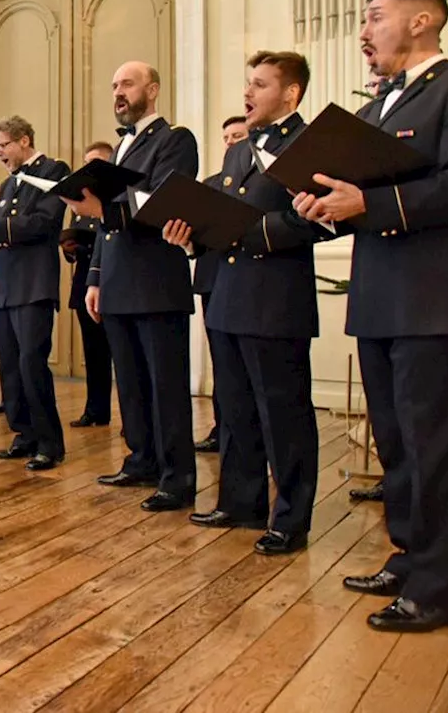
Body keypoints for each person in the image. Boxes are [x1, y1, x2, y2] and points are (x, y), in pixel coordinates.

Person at [294, 0, 448, 632]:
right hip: (381, 296)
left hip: (435, 301)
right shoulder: (378, 106)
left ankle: (442, 585)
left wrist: (370, 204)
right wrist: (322, 205)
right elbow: (354, 191)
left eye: (376, 17)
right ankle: (412, 554)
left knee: (435, 445)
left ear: (422, 21)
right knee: (396, 441)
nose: (364, 31)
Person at [167, 51, 320, 556]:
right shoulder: (241, 150)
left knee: (284, 416)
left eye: (259, 84)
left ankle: (290, 520)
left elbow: (315, 220)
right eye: (247, 83)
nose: (247, 94)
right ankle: (241, 501)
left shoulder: (309, 145)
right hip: (229, 296)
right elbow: (219, 216)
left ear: (290, 93)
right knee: (233, 409)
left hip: (275, 300)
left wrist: (253, 232)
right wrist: (189, 236)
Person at [66, 61, 199, 512]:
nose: (118, 92)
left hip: (157, 281)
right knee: (132, 383)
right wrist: (95, 278)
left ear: (153, 89)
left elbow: (161, 200)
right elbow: (107, 228)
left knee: (166, 384)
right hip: (119, 281)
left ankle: (177, 478)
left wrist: (101, 208)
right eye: (114, 85)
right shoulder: (120, 149)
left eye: (126, 84)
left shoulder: (175, 139)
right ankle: (141, 458)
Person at [0, 117, 71, 468]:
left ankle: (50, 443)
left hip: (34, 284)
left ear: (24, 140)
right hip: (5, 285)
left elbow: (44, 222)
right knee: (9, 368)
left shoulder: (53, 170)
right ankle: (24, 433)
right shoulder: (7, 185)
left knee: (31, 364)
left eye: (3, 145)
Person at [194, 115, 252, 453]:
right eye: (227, 136)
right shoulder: (212, 183)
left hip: (242, 276)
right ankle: (221, 427)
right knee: (222, 361)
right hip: (211, 277)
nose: (231, 141)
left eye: (238, 135)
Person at [62, 142, 114, 429]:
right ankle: (95, 409)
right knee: (93, 351)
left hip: (112, 279)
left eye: (94, 162)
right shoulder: (81, 201)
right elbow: (75, 245)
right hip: (85, 280)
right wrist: (70, 248)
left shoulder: (115, 198)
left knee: (120, 351)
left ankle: (132, 418)